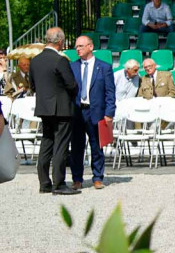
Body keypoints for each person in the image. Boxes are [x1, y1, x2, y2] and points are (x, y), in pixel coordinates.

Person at [28, 27, 79, 196]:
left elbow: (33, 85)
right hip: (61, 108)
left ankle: (44, 182)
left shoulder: (35, 61)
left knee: (47, 143)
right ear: (60, 41)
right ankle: (59, 182)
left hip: (44, 107)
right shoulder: (60, 60)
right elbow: (71, 85)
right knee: (61, 145)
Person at [69, 35, 115, 191]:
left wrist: (109, 113)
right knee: (76, 146)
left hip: (95, 111)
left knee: (96, 145)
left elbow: (110, 92)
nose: (78, 49)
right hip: (77, 111)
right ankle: (77, 178)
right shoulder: (72, 66)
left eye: (81, 46)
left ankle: (97, 177)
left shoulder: (104, 67)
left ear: (90, 46)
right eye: (76, 46)